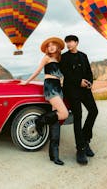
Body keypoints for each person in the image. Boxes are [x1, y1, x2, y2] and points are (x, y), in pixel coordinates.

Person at [21, 37, 69, 165]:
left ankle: (54, 155)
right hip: (50, 86)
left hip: (58, 86)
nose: (51, 47)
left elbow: (63, 73)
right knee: (64, 113)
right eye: (49, 46)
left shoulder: (59, 59)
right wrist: (27, 81)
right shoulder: (46, 58)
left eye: (53, 45)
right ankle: (40, 120)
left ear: (58, 47)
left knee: (56, 121)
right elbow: (37, 71)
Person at [60, 35, 98, 165]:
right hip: (72, 90)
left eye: (71, 42)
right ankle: (80, 149)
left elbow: (88, 71)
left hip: (85, 90)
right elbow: (66, 74)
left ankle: (85, 140)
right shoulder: (64, 57)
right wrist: (79, 81)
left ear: (76, 42)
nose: (68, 44)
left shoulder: (83, 55)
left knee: (94, 111)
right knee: (78, 116)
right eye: (67, 42)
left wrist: (90, 83)